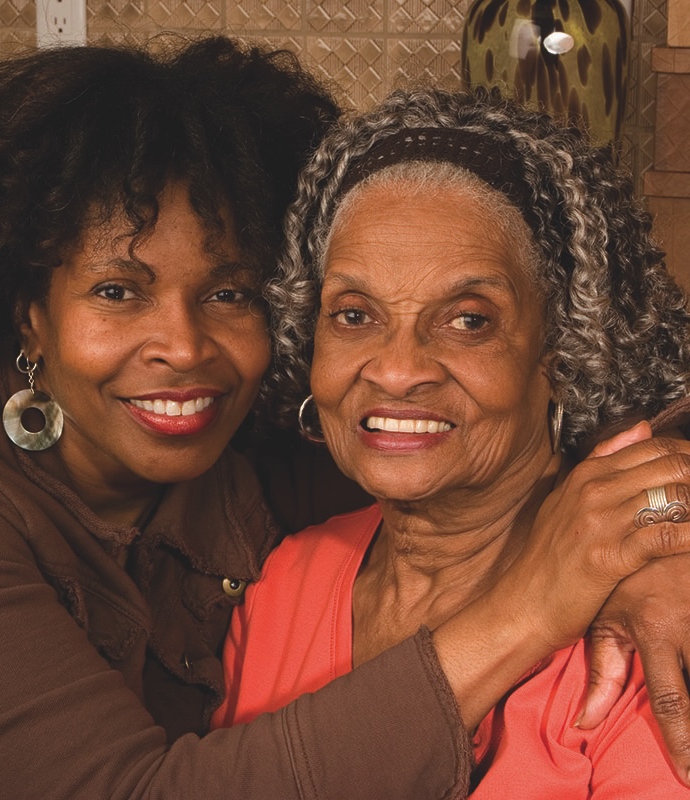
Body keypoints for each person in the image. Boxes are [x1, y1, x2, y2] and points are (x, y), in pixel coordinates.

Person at [0, 36, 689, 800]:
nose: (183, 346)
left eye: (229, 292)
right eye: (117, 291)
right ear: (28, 311)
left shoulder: (258, 443)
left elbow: (514, 422)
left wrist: (658, 532)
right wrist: (536, 602)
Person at [213, 84, 690, 796]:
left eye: (468, 320)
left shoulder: (641, 624)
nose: (398, 369)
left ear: (561, 352)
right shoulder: (284, 585)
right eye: (353, 315)